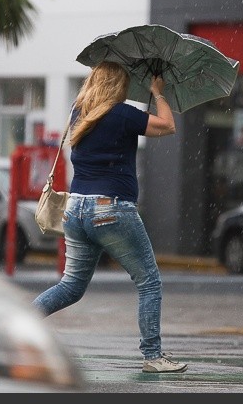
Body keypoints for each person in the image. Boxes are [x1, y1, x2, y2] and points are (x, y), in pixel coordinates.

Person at [31, 61, 188, 373]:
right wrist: (158, 93)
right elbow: (168, 125)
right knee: (148, 281)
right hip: (111, 208)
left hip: (75, 210)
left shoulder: (79, 113)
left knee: (70, 287)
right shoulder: (121, 113)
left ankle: (16, 329)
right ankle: (153, 357)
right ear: (119, 86)